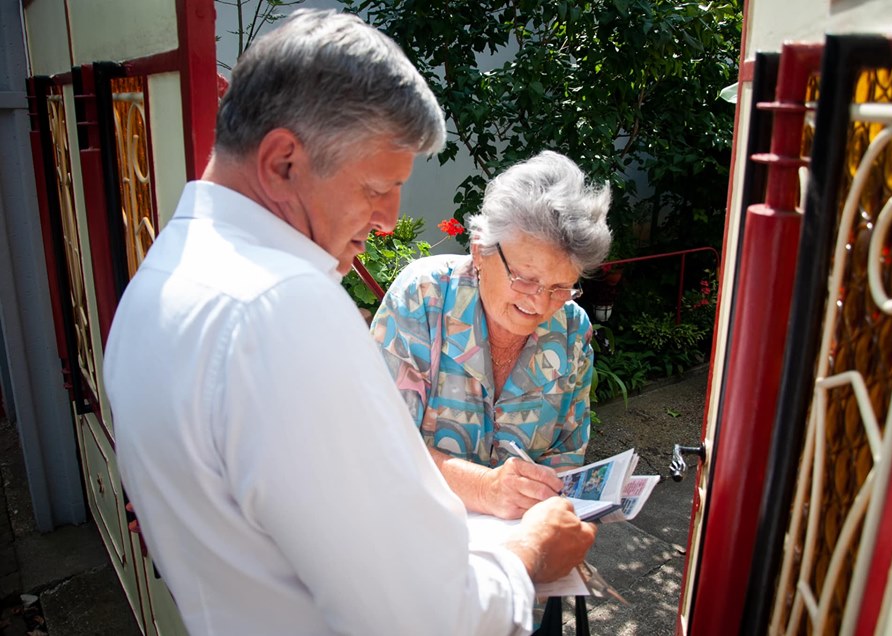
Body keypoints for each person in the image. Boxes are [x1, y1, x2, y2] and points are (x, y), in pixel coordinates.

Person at [103, 10, 595, 635]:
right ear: (283, 161)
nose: (389, 219)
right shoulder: (284, 308)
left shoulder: (162, 281)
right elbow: (420, 615)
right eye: (374, 188)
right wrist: (529, 557)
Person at [370, 151, 612, 520]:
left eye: (561, 286)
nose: (540, 302)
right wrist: (485, 488)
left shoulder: (571, 331)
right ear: (480, 251)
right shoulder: (422, 298)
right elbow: (378, 443)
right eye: (526, 278)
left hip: (518, 537)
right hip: (412, 530)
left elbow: (566, 455)